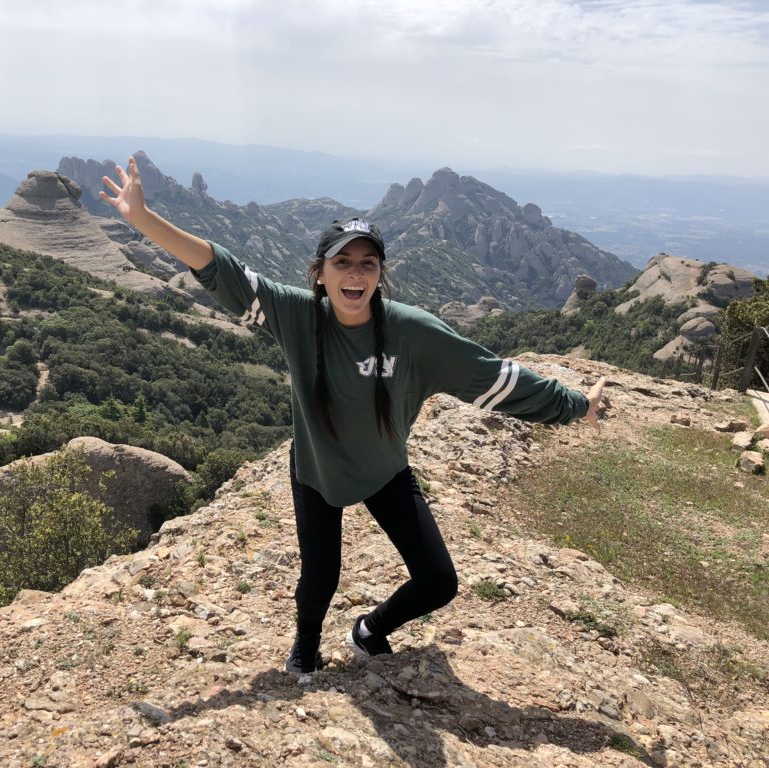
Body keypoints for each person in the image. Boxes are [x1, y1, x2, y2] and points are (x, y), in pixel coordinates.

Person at [100, 157, 607, 674]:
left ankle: (369, 629)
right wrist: (142, 219)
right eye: (343, 263)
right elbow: (222, 270)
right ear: (320, 273)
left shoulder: (414, 332)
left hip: (385, 469)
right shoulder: (298, 316)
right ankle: (306, 645)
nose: (356, 273)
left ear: (380, 274)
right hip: (318, 470)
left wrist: (575, 405)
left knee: (439, 581)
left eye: (368, 263)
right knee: (321, 576)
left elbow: (494, 375)